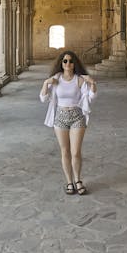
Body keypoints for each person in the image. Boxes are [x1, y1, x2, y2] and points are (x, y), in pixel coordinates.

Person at [39, 50, 97, 195]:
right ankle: (69, 182)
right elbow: (43, 98)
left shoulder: (79, 79)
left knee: (75, 152)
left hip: (77, 116)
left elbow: (91, 97)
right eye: (65, 61)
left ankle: (78, 180)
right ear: (61, 63)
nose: (68, 64)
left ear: (74, 63)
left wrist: (92, 83)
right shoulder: (56, 78)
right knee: (65, 151)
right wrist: (46, 83)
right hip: (60, 116)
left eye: (71, 61)